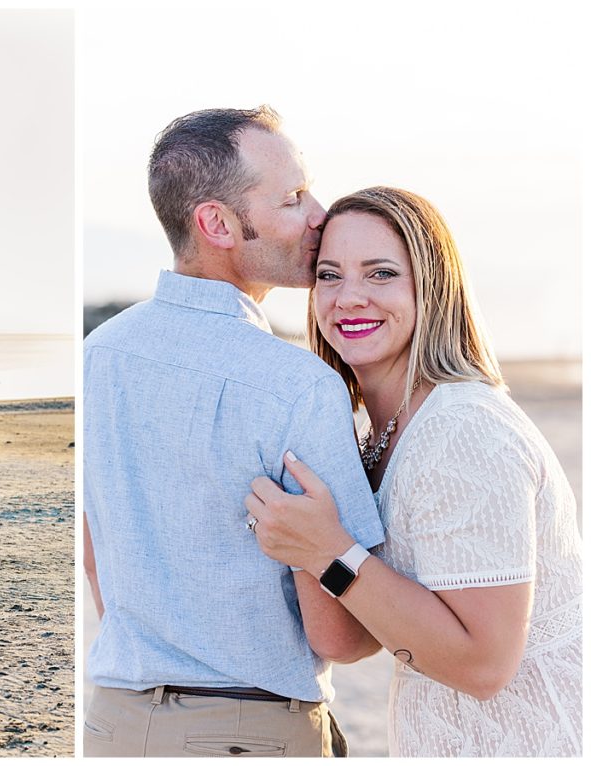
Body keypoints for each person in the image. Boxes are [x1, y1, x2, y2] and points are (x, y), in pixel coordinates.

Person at [82, 107, 386, 757]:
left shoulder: (97, 356)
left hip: (113, 724)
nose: (319, 215)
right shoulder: (298, 386)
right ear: (216, 223)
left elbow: (94, 542)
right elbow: (339, 638)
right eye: (292, 198)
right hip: (248, 732)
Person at [245, 186, 582, 757]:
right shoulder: (375, 435)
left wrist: (331, 551)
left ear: (433, 287)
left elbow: (483, 665)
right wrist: (310, 549)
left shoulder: (463, 430)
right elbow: (353, 641)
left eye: (380, 274)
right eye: (329, 275)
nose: (349, 298)